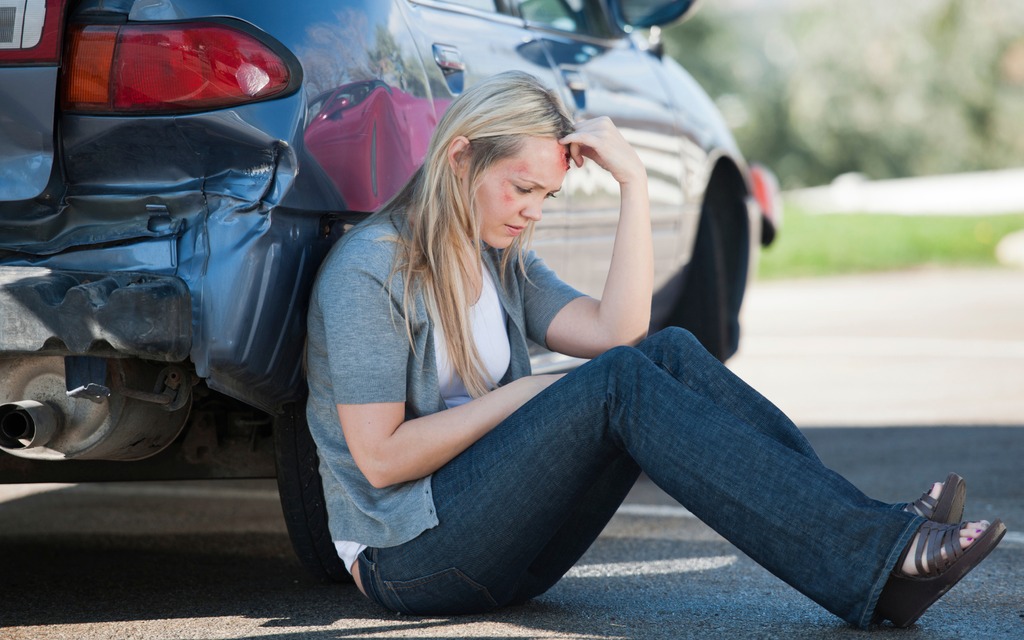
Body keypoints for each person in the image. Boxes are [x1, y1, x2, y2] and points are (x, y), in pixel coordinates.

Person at [304, 71, 1005, 629]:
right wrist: (524, 393)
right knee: (619, 383)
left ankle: (871, 537)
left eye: (546, 195)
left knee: (664, 352)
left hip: (505, 549)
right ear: (460, 158)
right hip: (408, 558)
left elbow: (620, 333)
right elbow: (381, 458)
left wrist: (634, 182)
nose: (533, 211)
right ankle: (877, 554)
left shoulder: (499, 260)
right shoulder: (372, 270)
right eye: (521, 188)